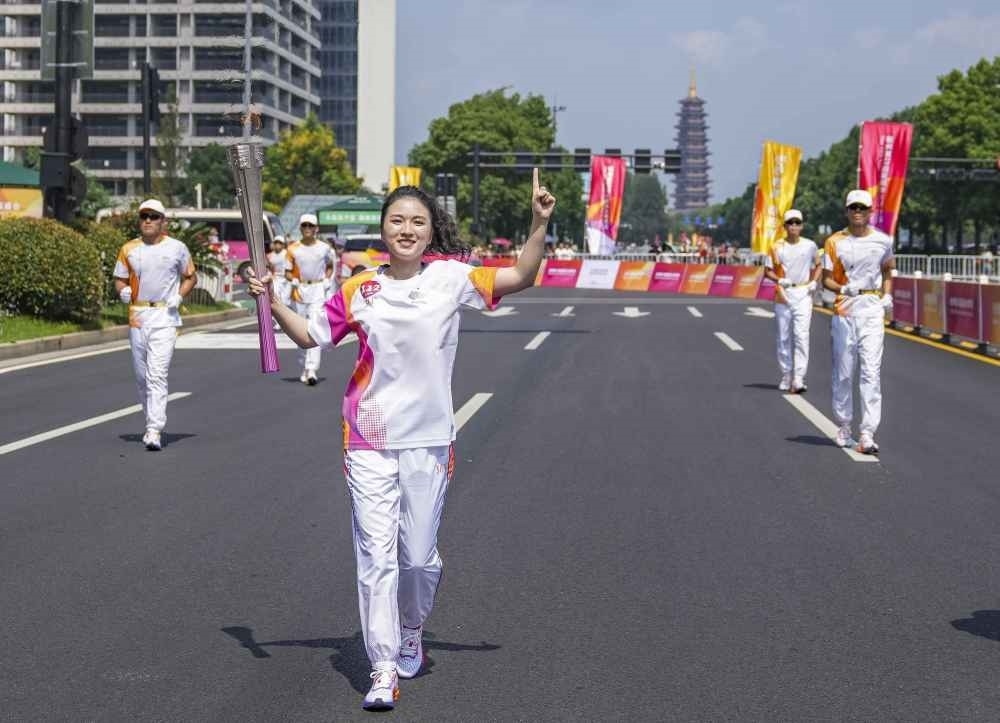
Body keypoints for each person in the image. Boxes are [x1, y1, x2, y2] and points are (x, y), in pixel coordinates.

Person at [247, 170, 556, 711]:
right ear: (383, 229)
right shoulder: (359, 288)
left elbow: (521, 275)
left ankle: (412, 627)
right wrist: (271, 299)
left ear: (431, 229)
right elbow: (311, 335)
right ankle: (383, 666)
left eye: (417, 221)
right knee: (376, 556)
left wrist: (538, 222)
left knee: (416, 559)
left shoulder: (452, 279)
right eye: (397, 220)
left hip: (429, 439)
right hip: (368, 437)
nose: (406, 229)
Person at [113, 199, 196, 451]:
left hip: (165, 315)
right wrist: (122, 290)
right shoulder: (129, 248)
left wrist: (179, 296)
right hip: (138, 315)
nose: (148, 220)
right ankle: (150, 421)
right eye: (144, 216)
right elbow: (119, 278)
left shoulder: (177, 248)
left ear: (163, 221)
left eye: (153, 216)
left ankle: (154, 429)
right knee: (142, 377)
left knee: (156, 374)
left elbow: (191, 276)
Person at [821, 190, 895, 454]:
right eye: (853, 207)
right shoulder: (834, 241)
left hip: (872, 310)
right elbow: (826, 279)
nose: (857, 212)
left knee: (871, 372)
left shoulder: (883, 241)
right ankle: (844, 425)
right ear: (846, 211)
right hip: (845, 311)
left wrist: (887, 296)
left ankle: (867, 433)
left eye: (862, 208)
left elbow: (887, 270)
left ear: (870, 211)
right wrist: (843, 289)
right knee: (843, 372)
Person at [763, 209, 820, 393]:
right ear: (785, 226)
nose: (794, 226)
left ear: (802, 226)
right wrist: (779, 280)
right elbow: (767, 271)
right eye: (790, 223)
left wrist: (813, 281)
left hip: (803, 293)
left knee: (802, 336)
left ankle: (799, 378)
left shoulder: (810, 245)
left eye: (797, 222)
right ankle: (786, 375)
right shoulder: (776, 247)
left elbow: (819, 265)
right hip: (783, 293)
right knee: (783, 337)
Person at [285, 213, 335, 385]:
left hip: (317, 289)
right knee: (300, 330)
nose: (307, 228)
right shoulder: (292, 249)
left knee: (315, 329)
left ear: (316, 228)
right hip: (300, 291)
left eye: (310, 226)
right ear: (300, 228)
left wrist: (327, 279)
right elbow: (287, 271)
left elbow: (329, 266)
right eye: (304, 225)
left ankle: (312, 369)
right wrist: (293, 280)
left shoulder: (324, 248)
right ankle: (304, 366)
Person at [266, 236, 291, 307]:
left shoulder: (287, 253)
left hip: (286, 279)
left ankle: (285, 312)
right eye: (276, 242)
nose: (278, 244)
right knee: (276, 295)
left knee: (285, 300)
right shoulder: (270, 256)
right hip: (276, 278)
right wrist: (271, 275)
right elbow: (269, 267)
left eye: (280, 243)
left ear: (283, 244)